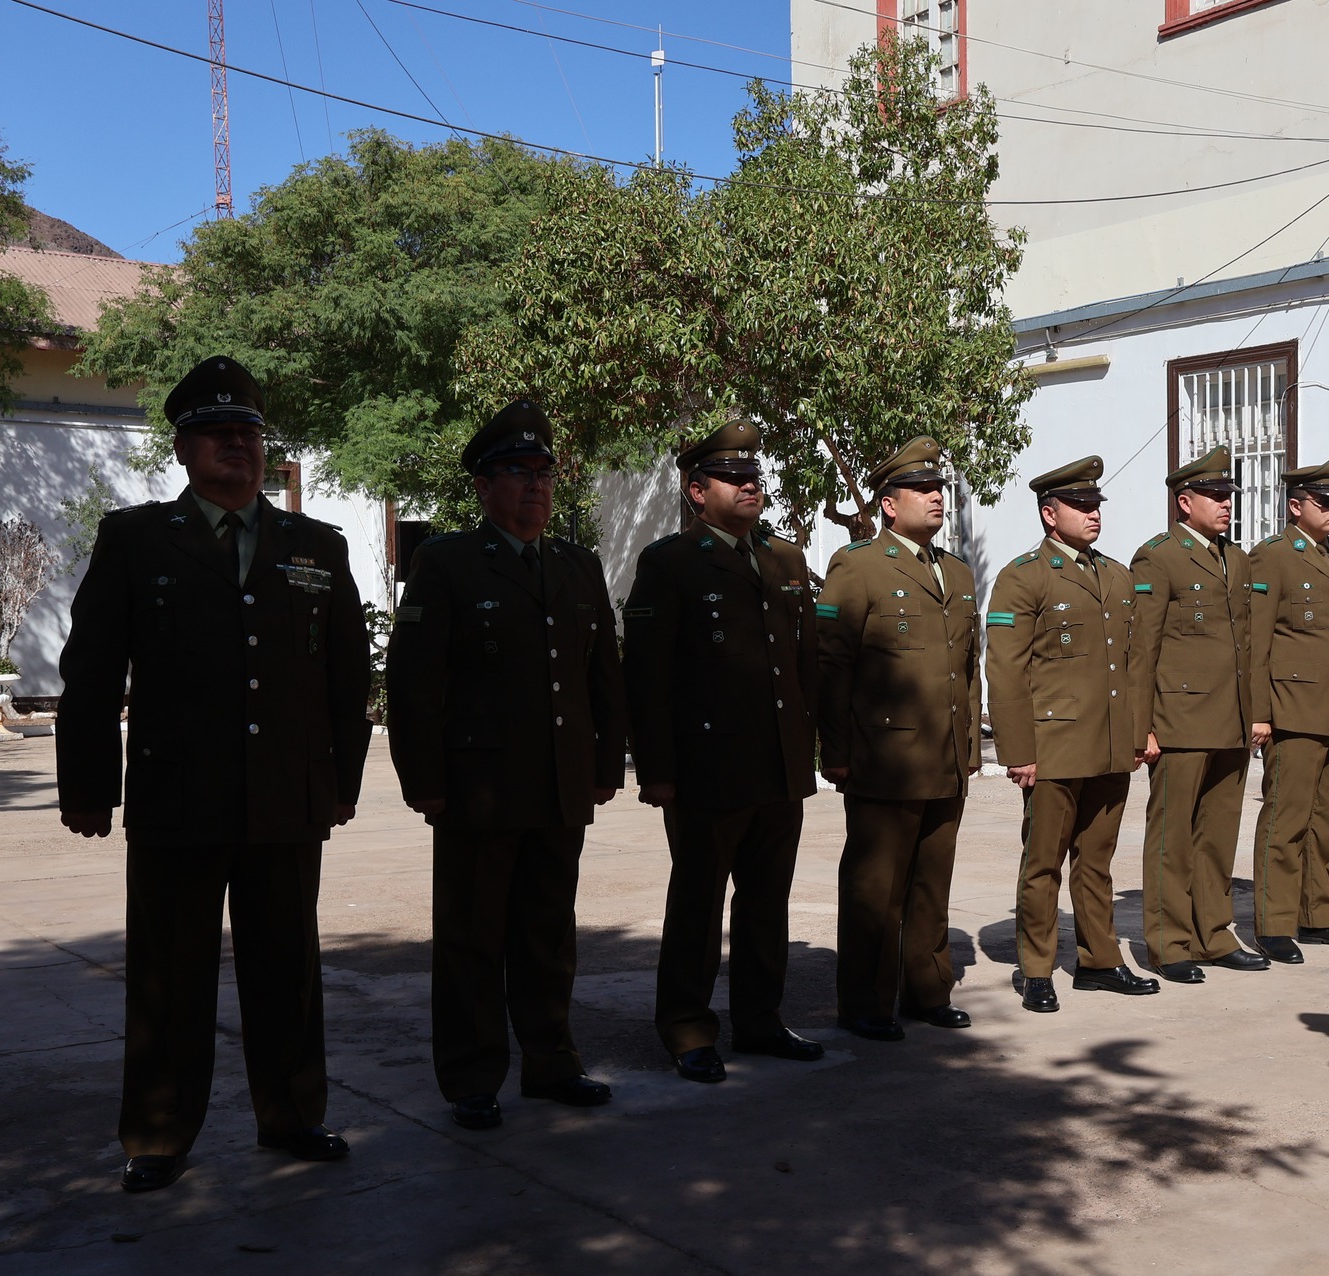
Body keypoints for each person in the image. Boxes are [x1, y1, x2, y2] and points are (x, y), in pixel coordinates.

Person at [56, 355, 370, 1192]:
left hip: (286, 795)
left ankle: (294, 1114)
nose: (240, 446)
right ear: (184, 449)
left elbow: (348, 676)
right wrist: (89, 786)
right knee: (168, 975)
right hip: (177, 795)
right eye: (220, 433)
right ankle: (157, 1135)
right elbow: (90, 671)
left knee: (288, 970)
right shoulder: (134, 539)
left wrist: (344, 780)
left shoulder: (317, 545)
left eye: (251, 433)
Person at [385, 400, 626, 1131]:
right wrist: (423, 780)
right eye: (517, 473)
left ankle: (552, 1062)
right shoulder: (450, 562)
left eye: (544, 473)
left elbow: (603, 676)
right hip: (478, 789)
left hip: (558, 784)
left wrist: (607, 761)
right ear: (483, 487)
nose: (535, 486)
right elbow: (414, 682)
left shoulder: (577, 565)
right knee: (471, 938)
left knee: (549, 934)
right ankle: (471, 1075)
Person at [622, 419, 824, 1084]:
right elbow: (646, 678)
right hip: (707, 770)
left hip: (777, 766)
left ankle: (761, 1019)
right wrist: (657, 769)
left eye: (752, 476)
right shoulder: (670, 563)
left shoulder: (785, 561)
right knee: (698, 906)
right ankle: (686, 1026)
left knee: (768, 905)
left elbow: (801, 665)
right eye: (732, 477)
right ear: (695, 490)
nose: (748, 485)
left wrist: (810, 748)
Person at [816, 438, 981, 1040]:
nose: (938, 497)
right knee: (875, 888)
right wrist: (834, 752)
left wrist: (969, 747)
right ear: (889, 504)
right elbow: (831, 665)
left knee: (932, 882)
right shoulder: (858, 566)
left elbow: (969, 667)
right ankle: (864, 1001)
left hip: (947, 757)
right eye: (923, 489)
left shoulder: (957, 572)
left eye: (939, 488)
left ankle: (926, 989)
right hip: (884, 758)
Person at [985, 456, 1160, 1014]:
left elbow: (1132, 664)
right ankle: (1036, 968)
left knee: (1098, 861)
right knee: (1042, 864)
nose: (1092, 515)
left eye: (1095, 505)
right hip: (1054, 748)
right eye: (1080, 506)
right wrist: (1018, 752)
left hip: (1109, 746)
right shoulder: (1024, 576)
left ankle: (1099, 961)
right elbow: (1006, 670)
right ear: (1048, 513)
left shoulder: (1114, 574)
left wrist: (1138, 735)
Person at [1127, 445, 1268, 983]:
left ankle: (1214, 932)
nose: (1225, 504)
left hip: (1229, 721)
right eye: (1214, 496)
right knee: (1173, 838)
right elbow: (1143, 648)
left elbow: (1248, 645)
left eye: (1228, 495)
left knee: (1217, 836)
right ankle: (1169, 942)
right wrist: (1144, 724)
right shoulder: (1158, 557)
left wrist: (1255, 714)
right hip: (1179, 721)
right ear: (1185, 502)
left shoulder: (1235, 558)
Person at [1247, 457, 1329, 963]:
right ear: (1296, 505)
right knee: (1286, 819)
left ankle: (1320, 913)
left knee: (1326, 821)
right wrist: (1260, 712)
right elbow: (1257, 640)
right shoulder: (1272, 557)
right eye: (1323, 502)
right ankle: (1275, 922)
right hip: (1293, 707)